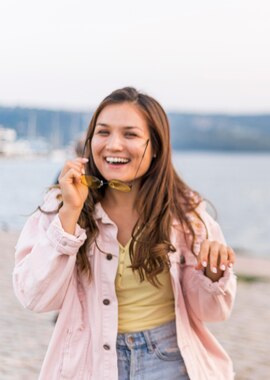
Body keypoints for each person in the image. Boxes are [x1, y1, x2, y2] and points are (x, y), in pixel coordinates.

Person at [13, 87, 237, 380]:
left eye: (130, 135)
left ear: (155, 146)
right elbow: (35, 297)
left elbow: (213, 313)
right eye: (103, 133)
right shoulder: (60, 204)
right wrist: (70, 213)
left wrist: (212, 275)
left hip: (170, 359)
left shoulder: (185, 214)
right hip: (88, 361)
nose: (114, 145)